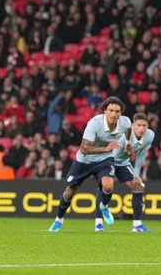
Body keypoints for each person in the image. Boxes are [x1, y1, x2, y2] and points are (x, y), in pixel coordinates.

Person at [48, 96, 130, 232]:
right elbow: (84, 149)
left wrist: (127, 144)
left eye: (117, 111)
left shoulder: (125, 122)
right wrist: (106, 148)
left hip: (105, 159)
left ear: (121, 112)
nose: (114, 114)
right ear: (105, 110)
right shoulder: (95, 123)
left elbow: (128, 132)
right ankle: (59, 220)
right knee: (70, 192)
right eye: (111, 110)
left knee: (108, 186)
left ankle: (103, 206)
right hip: (85, 160)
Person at [107, 113, 155, 232]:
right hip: (109, 160)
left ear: (148, 126)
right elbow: (114, 155)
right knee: (105, 186)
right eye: (138, 125)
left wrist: (136, 175)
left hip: (123, 163)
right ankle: (99, 224)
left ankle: (137, 226)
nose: (141, 128)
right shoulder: (125, 136)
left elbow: (142, 155)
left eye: (144, 125)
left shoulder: (150, 135)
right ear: (133, 125)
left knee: (138, 187)